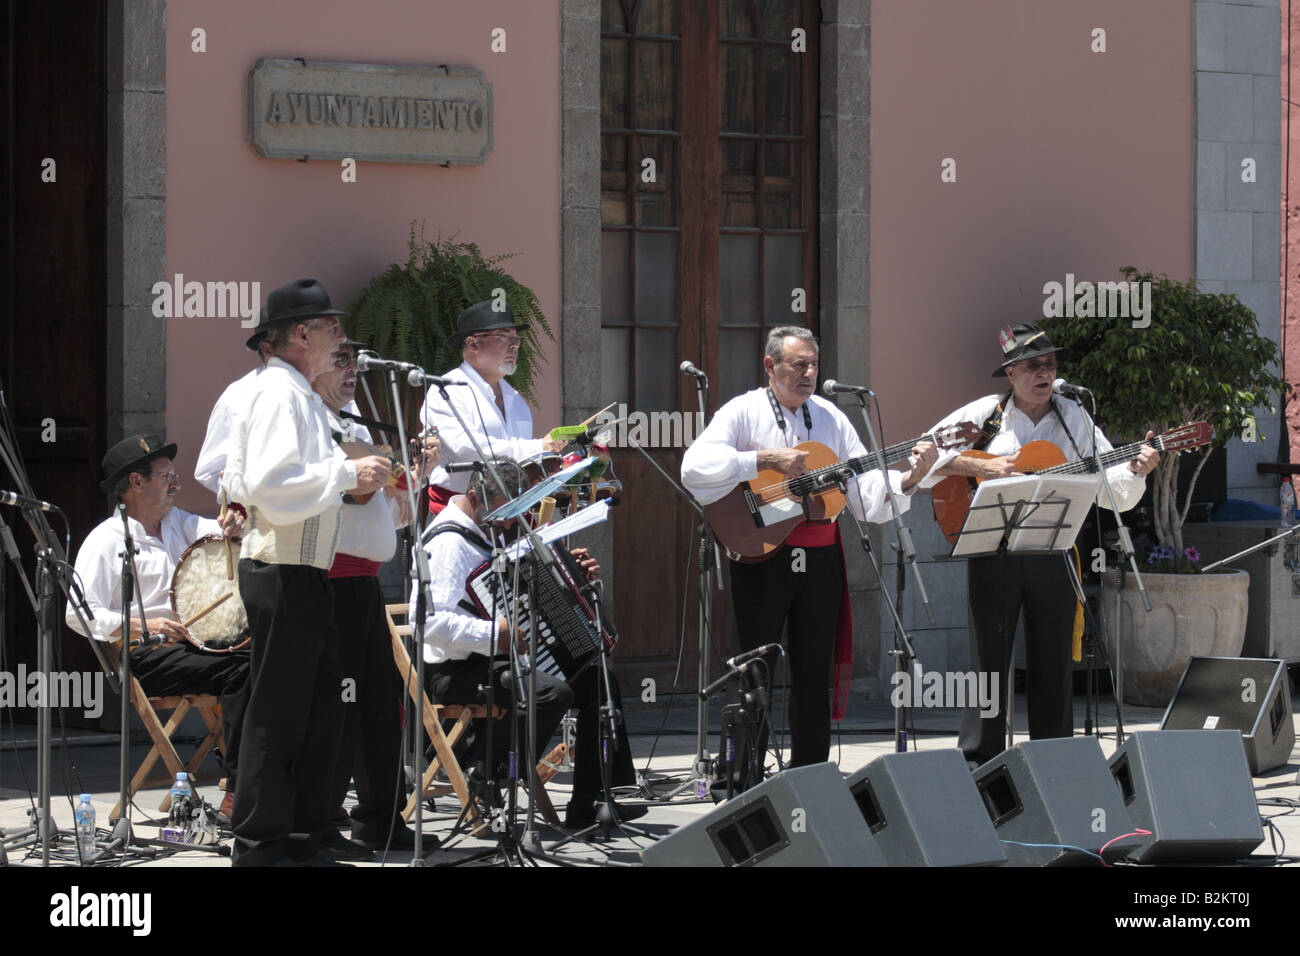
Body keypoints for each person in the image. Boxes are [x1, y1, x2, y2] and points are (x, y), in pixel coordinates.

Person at [681, 326, 938, 775]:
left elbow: (863, 491)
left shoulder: (832, 418)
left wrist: (911, 479)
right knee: (753, 666)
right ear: (770, 365)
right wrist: (761, 461)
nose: (809, 373)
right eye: (799, 364)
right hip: (763, 553)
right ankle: (742, 773)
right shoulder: (742, 411)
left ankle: (811, 772)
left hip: (820, 556)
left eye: (814, 364)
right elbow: (694, 469)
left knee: (813, 668)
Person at [920, 322, 1159, 767]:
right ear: (1010, 374)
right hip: (994, 551)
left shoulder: (1075, 419)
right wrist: (986, 467)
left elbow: (1113, 490)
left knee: (1053, 662)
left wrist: (1139, 470)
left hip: (1054, 551)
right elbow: (924, 454)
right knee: (988, 664)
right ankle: (979, 762)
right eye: (1032, 366)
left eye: (1049, 364)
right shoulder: (982, 416)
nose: (1044, 373)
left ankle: (1055, 764)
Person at [221, 277, 392, 867]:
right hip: (283, 570)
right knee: (278, 709)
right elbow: (272, 485)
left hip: (304, 571)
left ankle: (303, 829)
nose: (339, 338)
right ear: (300, 334)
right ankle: (260, 842)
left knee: (317, 704)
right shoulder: (279, 394)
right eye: (331, 329)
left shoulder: (297, 394)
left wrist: (351, 477)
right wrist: (347, 476)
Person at [412, 458, 643, 828]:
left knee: (601, 682)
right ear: (473, 497)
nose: (508, 523)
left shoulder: (493, 532)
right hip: (453, 669)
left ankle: (592, 799)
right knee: (550, 693)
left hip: (497, 660)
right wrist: (494, 636)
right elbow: (426, 622)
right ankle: (488, 768)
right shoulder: (448, 545)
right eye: (503, 513)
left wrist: (571, 573)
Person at [67, 434, 249, 803]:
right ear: (136, 483)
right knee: (244, 671)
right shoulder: (105, 540)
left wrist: (237, 523)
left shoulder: (177, 523)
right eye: (166, 476)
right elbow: (79, 614)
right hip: (144, 655)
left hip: (193, 646)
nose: (176, 484)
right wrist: (139, 625)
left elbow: (220, 533)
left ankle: (260, 781)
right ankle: (240, 790)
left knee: (269, 658)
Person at [312, 338, 439, 852]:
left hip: (363, 582)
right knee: (335, 706)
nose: (352, 373)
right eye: (341, 361)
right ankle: (321, 823)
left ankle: (381, 819)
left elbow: (393, 515)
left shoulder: (357, 421)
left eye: (355, 364)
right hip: (325, 580)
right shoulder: (302, 416)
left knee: (381, 705)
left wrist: (417, 477)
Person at [419, 300, 563, 514]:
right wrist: (538, 448)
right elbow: (469, 450)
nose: (513, 345)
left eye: (516, 338)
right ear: (473, 344)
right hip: (461, 515)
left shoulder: (516, 401)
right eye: (503, 337)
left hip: (510, 517)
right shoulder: (446, 391)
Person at [193, 317, 274, 498]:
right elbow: (210, 471)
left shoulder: (329, 389)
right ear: (267, 349)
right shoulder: (238, 397)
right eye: (301, 339)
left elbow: (350, 439)